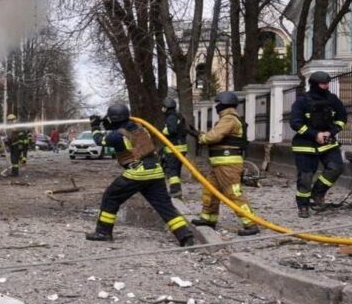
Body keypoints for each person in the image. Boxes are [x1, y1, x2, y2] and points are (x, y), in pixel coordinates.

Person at [85, 104, 195, 247]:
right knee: (164, 206)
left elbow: (100, 140)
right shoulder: (140, 128)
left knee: (110, 197)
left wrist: (94, 127)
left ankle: (103, 232)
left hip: (138, 173)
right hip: (155, 171)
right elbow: (122, 130)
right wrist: (107, 124)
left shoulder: (118, 136)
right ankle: (185, 236)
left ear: (112, 119)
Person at [191, 92, 259, 236]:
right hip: (218, 164)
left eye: (218, 103)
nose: (217, 106)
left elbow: (214, 136)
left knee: (233, 193)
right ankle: (208, 218)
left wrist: (202, 138)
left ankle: (251, 224)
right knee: (210, 191)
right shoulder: (227, 119)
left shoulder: (229, 118)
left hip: (228, 165)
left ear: (224, 104)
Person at [289, 71, 347, 218]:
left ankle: (318, 194)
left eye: (327, 83)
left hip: (327, 142)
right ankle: (303, 205)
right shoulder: (302, 101)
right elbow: (295, 123)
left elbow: (342, 118)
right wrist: (315, 134)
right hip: (305, 144)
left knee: (336, 167)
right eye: (323, 84)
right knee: (306, 177)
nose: (326, 86)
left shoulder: (333, 100)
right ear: (315, 85)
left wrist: (331, 132)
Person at [160, 98, 189, 198]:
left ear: (166, 107)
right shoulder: (178, 116)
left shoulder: (171, 117)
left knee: (171, 170)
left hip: (174, 148)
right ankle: (177, 190)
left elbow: (171, 130)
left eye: (163, 107)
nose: (162, 109)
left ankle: (175, 191)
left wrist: (163, 132)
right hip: (181, 147)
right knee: (176, 170)